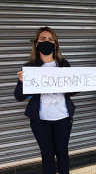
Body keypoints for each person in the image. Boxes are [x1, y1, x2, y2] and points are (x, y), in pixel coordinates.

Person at [14, 27, 82, 174]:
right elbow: (19, 96)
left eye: (50, 39)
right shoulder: (29, 68)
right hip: (40, 122)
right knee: (47, 156)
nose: (47, 42)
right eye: (43, 39)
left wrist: (87, 80)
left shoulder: (63, 64)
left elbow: (73, 91)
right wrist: (22, 81)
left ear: (56, 44)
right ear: (36, 44)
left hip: (63, 118)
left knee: (63, 154)